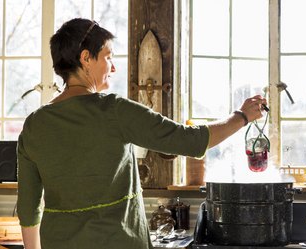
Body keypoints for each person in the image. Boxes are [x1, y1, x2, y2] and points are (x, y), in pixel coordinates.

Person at [17, 18, 267, 249]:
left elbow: (28, 210)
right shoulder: (114, 110)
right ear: (85, 58)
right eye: (107, 56)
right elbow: (190, 141)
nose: (112, 68)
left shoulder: (33, 125)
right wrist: (242, 117)